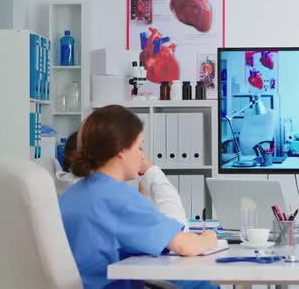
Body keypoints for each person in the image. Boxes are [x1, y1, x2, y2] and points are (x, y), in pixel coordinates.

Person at [59, 105, 217, 289]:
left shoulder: (71, 195)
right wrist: (209, 238)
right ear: (121, 150)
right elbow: (185, 246)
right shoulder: (121, 199)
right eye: (139, 147)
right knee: (200, 284)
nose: (142, 156)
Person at [56, 131, 190, 228]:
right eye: (139, 148)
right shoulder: (109, 198)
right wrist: (152, 172)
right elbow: (177, 231)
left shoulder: (64, 188)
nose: (142, 155)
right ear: (118, 153)